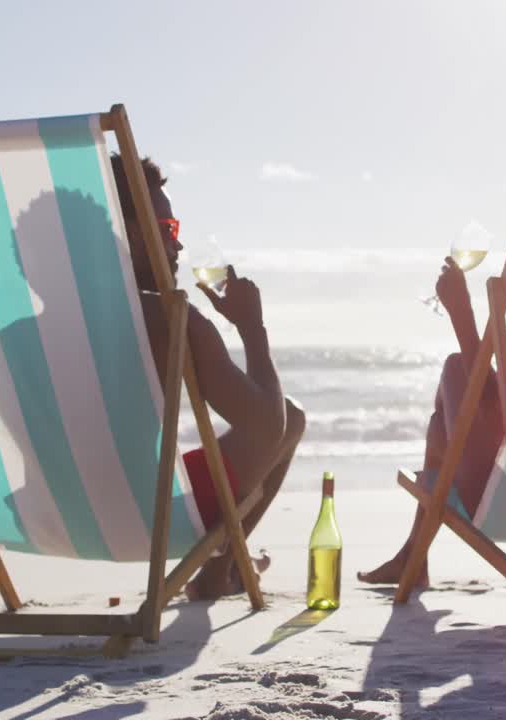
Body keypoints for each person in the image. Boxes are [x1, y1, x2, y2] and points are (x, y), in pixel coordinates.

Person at [357, 151, 506, 587]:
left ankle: (413, 555)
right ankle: (412, 556)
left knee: (459, 370)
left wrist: (462, 315)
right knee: (445, 419)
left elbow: (505, 410)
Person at [110, 154, 306, 600]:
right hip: (147, 518)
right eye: (168, 229)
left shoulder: (10, 334)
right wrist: (252, 328)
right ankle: (220, 570)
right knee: (289, 417)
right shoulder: (171, 319)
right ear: (130, 233)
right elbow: (267, 427)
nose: (178, 246)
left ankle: (220, 572)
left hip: (46, 515)